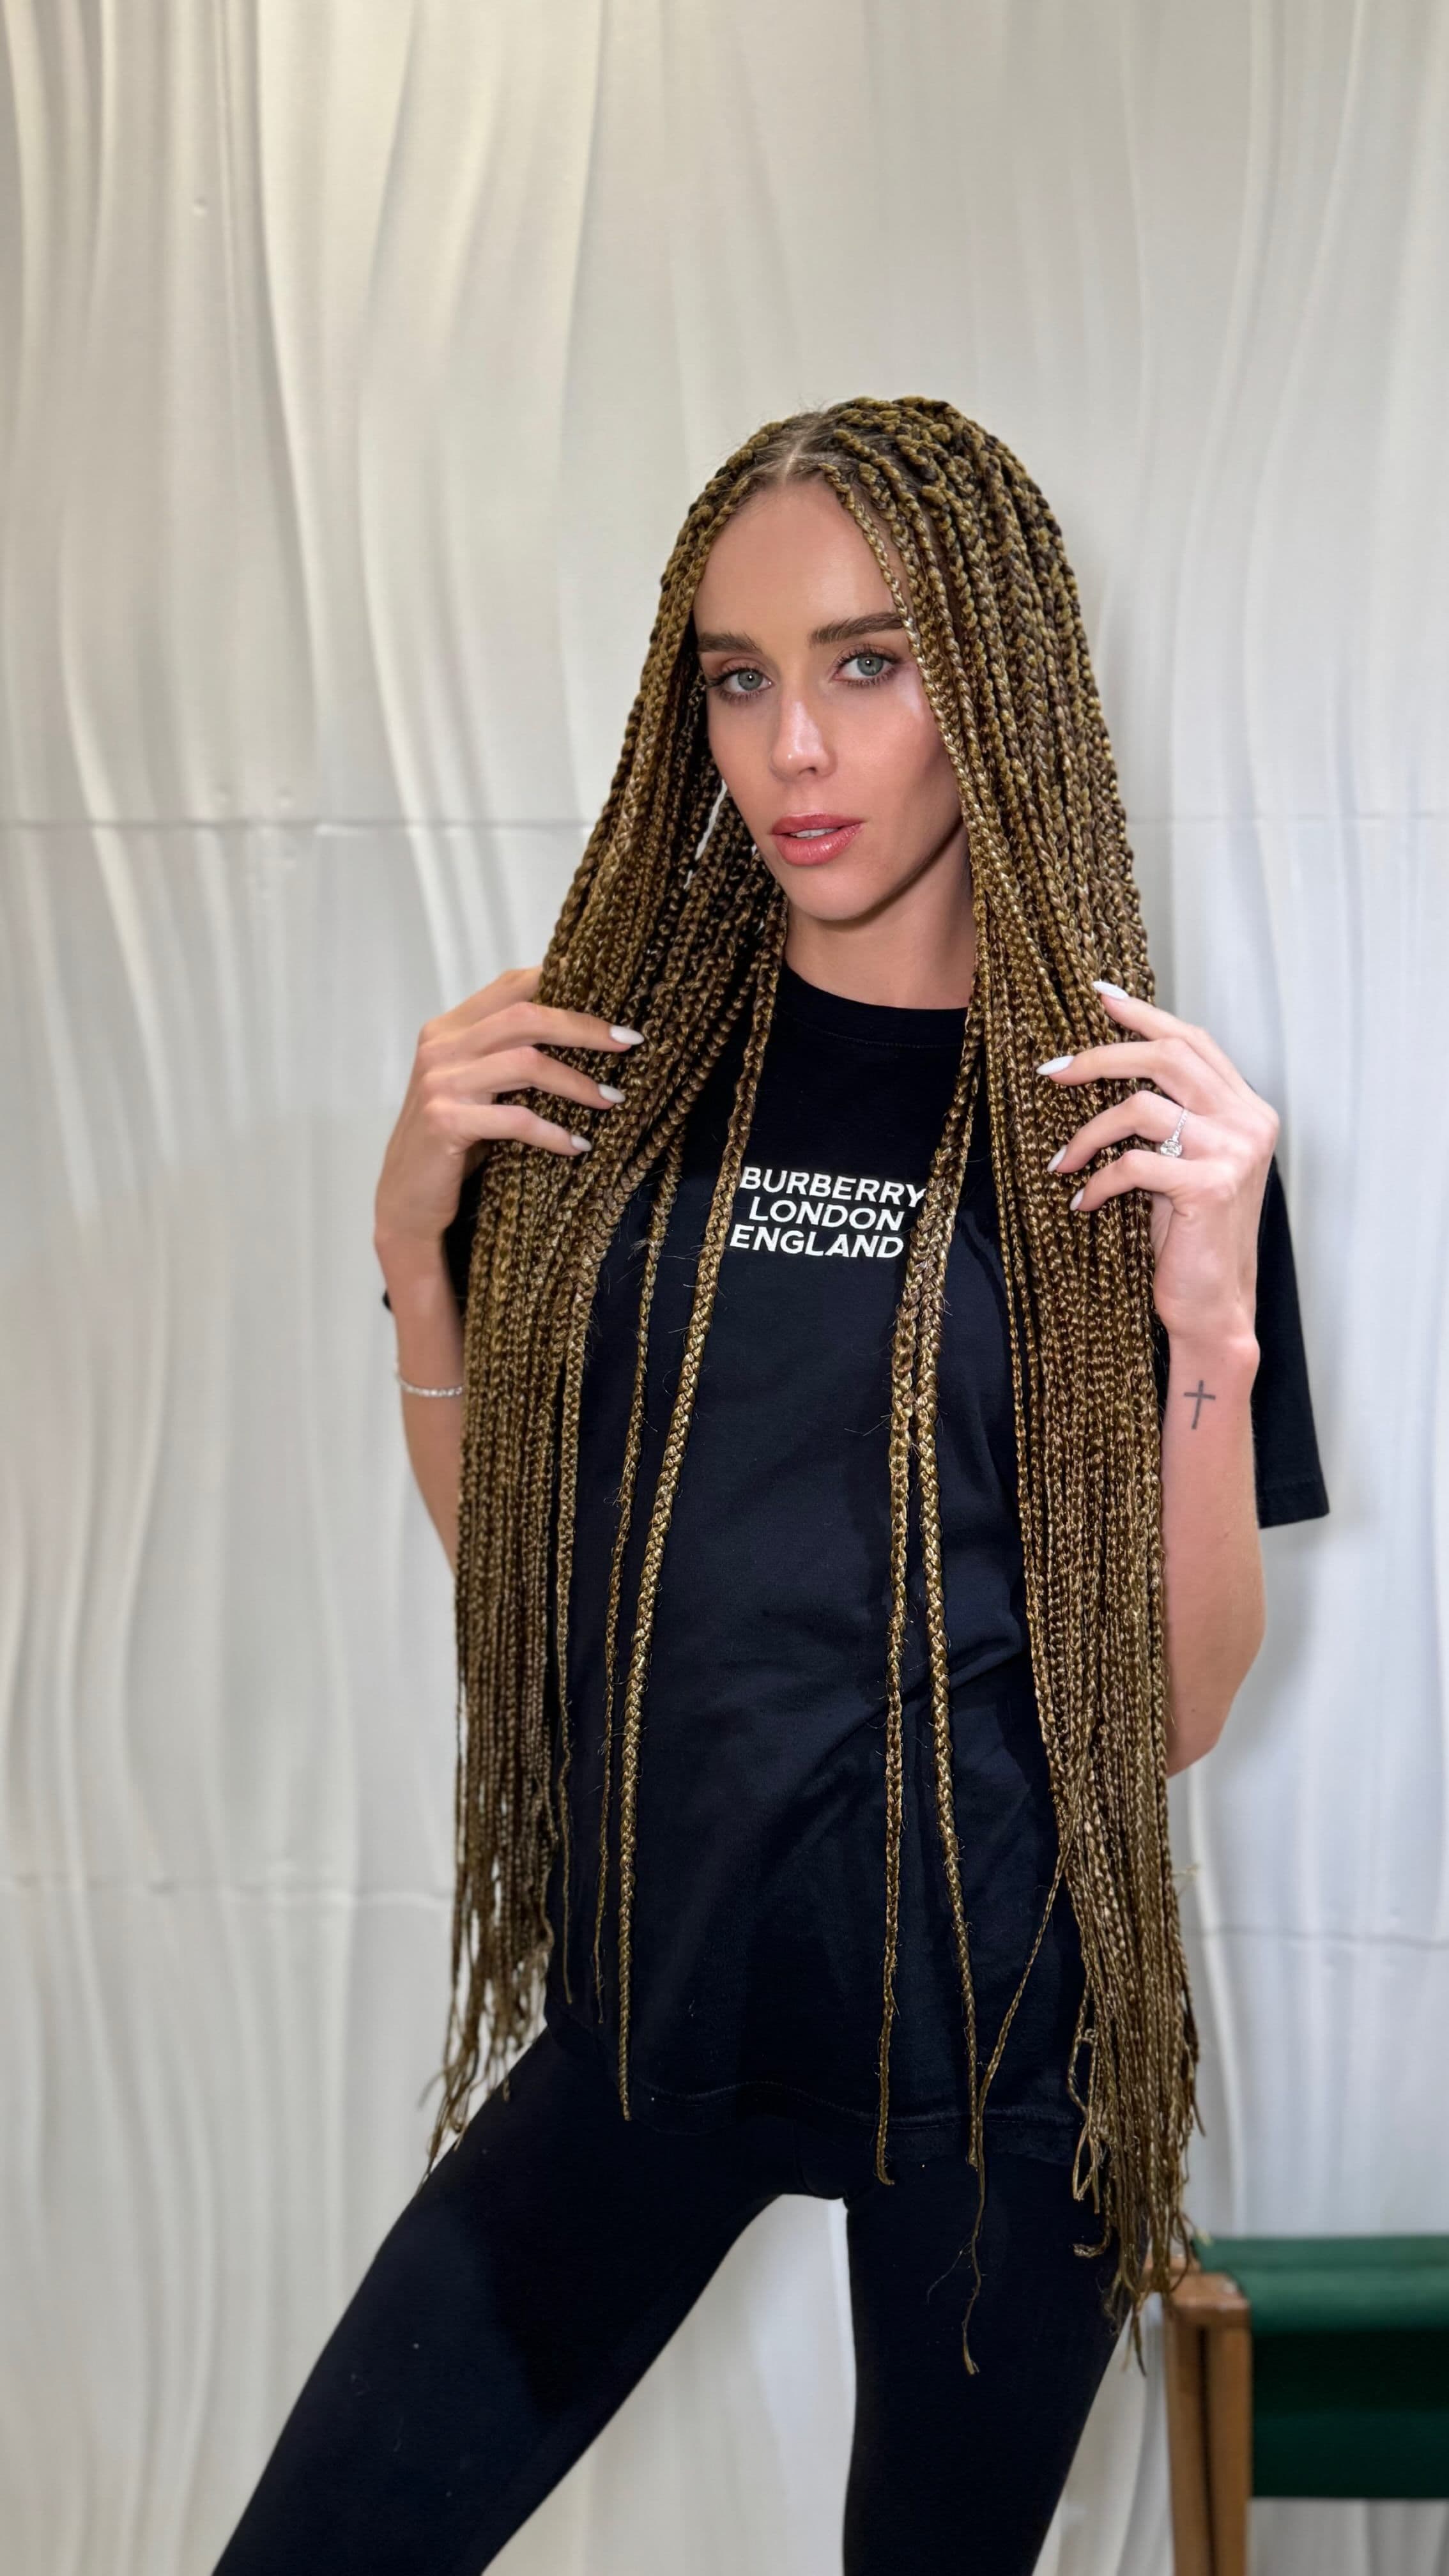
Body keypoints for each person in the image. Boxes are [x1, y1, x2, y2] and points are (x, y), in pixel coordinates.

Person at [213, 399, 1328, 2575]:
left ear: (990, 681)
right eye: (738, 678)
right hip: (658, 2013)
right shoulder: (610, 1096)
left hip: (1003, 2058)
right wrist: (415, 1264)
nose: (792, 748)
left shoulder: (1136, 1131)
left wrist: (1207, 1326)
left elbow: (1176, 1711)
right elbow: (527, 1585)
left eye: (865, 664)